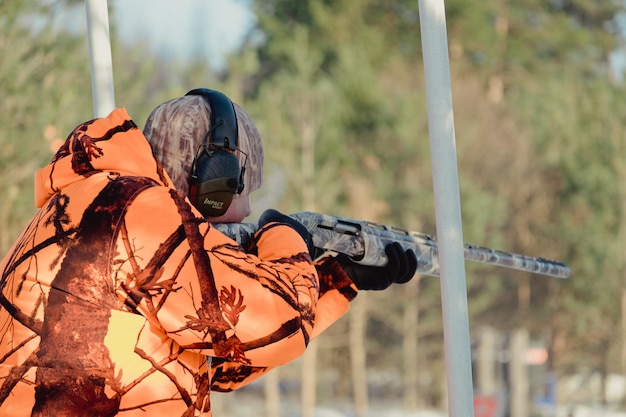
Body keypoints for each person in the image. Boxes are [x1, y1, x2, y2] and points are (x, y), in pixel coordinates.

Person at [0, 88, 417, 416]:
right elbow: (278, 316)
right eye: (242, 187)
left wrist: (334, 280)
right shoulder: (138, 208)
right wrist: (286, 235)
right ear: (214, 179)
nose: (250, 208)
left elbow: (222, 356)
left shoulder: (97, 202)